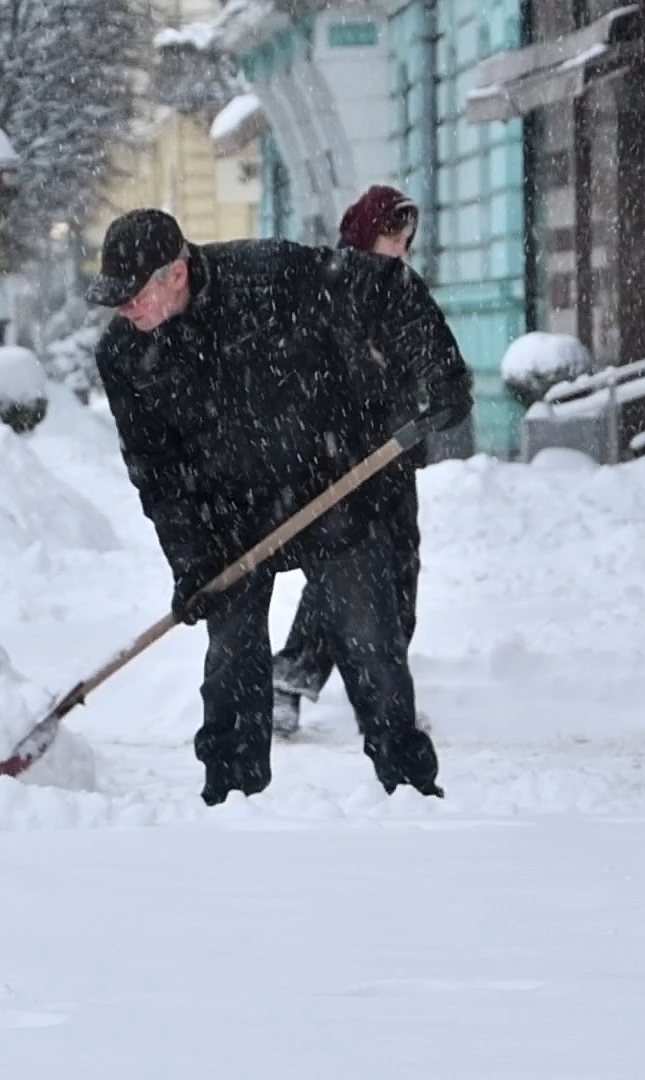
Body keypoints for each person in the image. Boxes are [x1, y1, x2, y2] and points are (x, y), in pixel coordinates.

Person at [87, 208, 471, 805]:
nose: (124, 310)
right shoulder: (123, 353)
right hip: (230, 519)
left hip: (332, 485)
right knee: (231, 662)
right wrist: (191, 562)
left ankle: (410, 791)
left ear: (177, 274)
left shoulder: (270, 275)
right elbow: (155, 472)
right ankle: (231, 803)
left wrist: (439, 369)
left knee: (372, 648)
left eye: (133, 296)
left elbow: (388, 286)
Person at [273, 185, 429, 738]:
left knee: (401, 569)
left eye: (406, 241)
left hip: (394, 454)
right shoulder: (332, 287)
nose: (401, 250)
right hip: (344, 459)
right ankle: (290, 678)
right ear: (367, 235)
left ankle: (387, 691)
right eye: (393, 238)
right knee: (345, 573)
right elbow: (320, 372)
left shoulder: (402, 289)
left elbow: (416, 363)